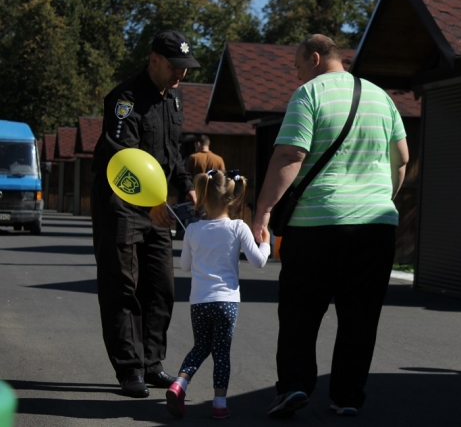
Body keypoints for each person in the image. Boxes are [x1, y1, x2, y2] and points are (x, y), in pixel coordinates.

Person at [251, 34, 409, 418]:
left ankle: (294, 386)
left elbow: (290, 153)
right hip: (375, 225)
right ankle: (347, 397)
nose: (296, 76)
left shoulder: (309, 95)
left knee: (300, 312)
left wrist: (263, 211)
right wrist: (379, 196)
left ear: (316, 58)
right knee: (360, 316)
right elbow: (402, 157)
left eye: (298, 67)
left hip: (317, 222)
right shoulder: (380, 97)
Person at [91, 29, 200, 398]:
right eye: (174, 67)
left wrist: (185, 183)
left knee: (161, 288)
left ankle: (153, 363)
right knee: (123, 288)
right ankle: (130, 369)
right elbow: (122, 159)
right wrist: (151, 202)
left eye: (185, 68)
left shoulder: (174, 99)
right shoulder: (125, 98)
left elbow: (171, 151)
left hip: (159, 205)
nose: (180, 74)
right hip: (121, 206)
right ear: (154, 59)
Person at [165, 170, 270, 419]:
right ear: (231, 198)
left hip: (199, 301)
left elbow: (184, 266)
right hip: (226, 301)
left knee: (200, 347)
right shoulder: (238, 227)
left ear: (203, 195)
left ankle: (179, 384)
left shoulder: (192, 229)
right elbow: (259, 263)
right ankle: (219, 404)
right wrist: (265, 243)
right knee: (221, 352)